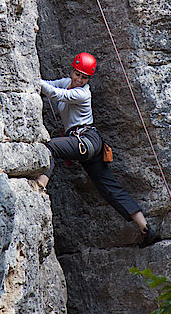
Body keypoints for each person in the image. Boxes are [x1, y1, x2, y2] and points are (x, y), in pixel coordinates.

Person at [36, 52, 158, 247]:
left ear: (88, 79)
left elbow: (55, 94)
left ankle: (39, 187)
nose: (79, 79)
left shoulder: (82, 92)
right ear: (72, 70)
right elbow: (50, 84)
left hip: (87, 140)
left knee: (51, 147)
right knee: (109, 187)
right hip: (88, 143)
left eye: (84, 77)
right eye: (77, 74)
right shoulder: (66, 81)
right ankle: (146, 229)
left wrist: (32, 80)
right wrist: (38, 80)